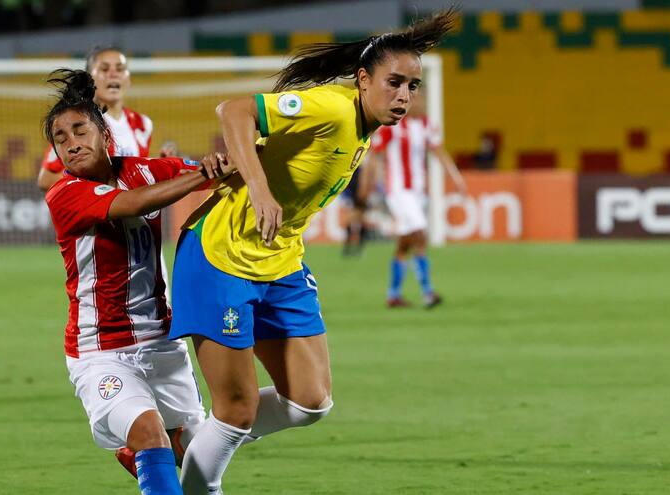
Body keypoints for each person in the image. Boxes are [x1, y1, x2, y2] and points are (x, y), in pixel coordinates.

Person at [168, 10, 456, 494]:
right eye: (394, 82)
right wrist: (260, 191)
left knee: (310, 401)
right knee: (236, 412)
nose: (404, 95)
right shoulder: (331, 107)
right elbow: (233, 110)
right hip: (220, 256)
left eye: (412, 85)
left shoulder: (366, 126)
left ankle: (194, 439)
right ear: (363, 80)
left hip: (280, 260)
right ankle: (203, 477)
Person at [41, 69, 235, 495]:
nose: (71, 143)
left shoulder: (143, 169)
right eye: (60, 138)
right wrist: (203, 176)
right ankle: (142, 450)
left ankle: (141, 457)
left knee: (190, 452)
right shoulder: (65, 194)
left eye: (80, 129)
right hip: (100, 351)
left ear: (104, 133)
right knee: (150, 433)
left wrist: (224, 165)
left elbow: (199, 170)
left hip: (162, 342)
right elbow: (132, 204)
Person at [368, 93, 466, 308]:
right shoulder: (390, 126)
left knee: (405, 243)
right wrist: (369, 186)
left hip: (418, 193)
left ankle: (393, 295)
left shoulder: (427, 126)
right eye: (417, 100)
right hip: (398, 191)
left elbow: (439, 153)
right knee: (420, 234)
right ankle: (428, 292)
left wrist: (456, 178)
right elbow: (374, 155)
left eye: (422, 100)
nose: (421, 104)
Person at [37, 45, 174, 191]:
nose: (113, 74)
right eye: (104, 69)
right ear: (89, 78)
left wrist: (160, 168)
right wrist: (100, 188)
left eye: (120, 69)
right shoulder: (79, 121)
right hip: (98, 212)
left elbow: (134, 178)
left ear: (129, 79)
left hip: (130, 211)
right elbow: (46, 180)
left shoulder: (143, 124)